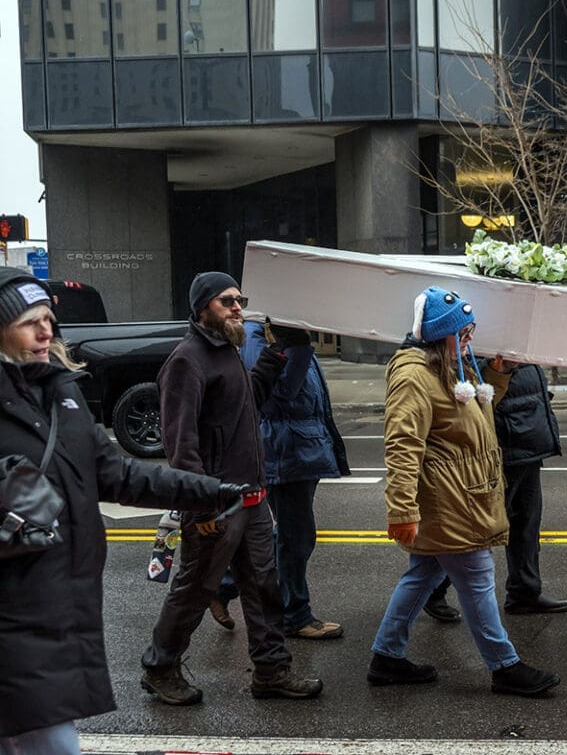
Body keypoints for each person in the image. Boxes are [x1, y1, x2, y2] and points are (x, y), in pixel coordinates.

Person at [0, 268, 245, 754]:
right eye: (30, 322)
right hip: (13, 610)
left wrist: (207, 490)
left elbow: (119, 476)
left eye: (48, 319)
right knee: (51, 741)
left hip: (62, 601)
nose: (46, 331)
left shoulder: (61, 394)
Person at [141, 272, 323, 705]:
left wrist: (279, 352)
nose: (238, 307)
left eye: (240, 299)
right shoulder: (188, 360)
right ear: (203, 307)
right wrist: (202, 507)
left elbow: (248, 401)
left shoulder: (229, 351)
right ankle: (160, 668)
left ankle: (271, 671)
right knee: (196, 589)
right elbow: (179, 444)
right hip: (216, 506)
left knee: (264, 586)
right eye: (227, 301)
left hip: (253, 498)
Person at [368, 286, 560, 697]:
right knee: (476, 580)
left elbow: (473, 413)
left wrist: (499, 375)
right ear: (442, 335)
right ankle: (504, 665)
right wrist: (401, 509)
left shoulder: (449, 367)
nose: (471, 340)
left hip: (461, 493)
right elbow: (402, 445)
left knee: (422, 574)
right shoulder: (414, 376)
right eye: (465, 333)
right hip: (448, 500)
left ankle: (387, 656)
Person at [426, 362, 567, 619]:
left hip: (528, 439)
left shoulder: (524, 339)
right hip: (505, 442)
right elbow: (473, 385)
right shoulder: (483, 338)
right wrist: (500, 368)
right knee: (479, 528)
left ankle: (524, 592)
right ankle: (432, 589)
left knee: (526, 524)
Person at [236, 318, 350, 639]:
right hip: (285, 451)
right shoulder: (256, 336)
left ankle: (228, 584)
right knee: (295, 537)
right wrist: (298, 345)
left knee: (291, 535)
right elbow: (280, 394)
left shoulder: (285, 329)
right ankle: (294, 615)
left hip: (303, 447)